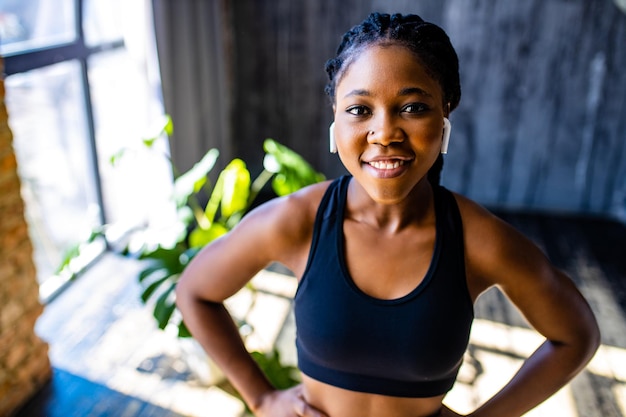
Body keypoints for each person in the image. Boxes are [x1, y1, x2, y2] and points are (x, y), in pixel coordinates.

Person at [175, 12, 600, 417]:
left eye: (413, 107)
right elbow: (195, 291)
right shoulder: (299, 221)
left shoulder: (477, 240)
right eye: (360, 110)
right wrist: (262, 399)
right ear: (335, 120)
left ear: (445, 113)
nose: (385, 133)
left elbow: (576, 336)